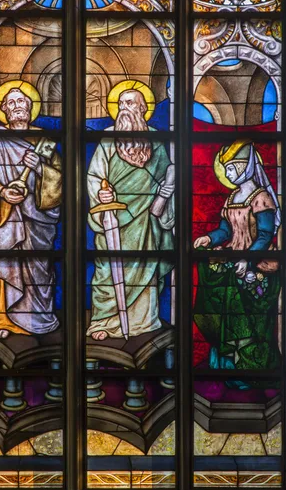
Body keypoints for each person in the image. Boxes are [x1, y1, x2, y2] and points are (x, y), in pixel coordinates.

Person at [87, 88, 174, 340]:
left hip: (146, 219)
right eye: (121, 103)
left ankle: (144, 322)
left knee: (146, 266)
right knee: (107, 269)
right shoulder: (108, 138)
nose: (125, 107)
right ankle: (103, 321)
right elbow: (94, 175)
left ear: (143, 108)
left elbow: (164, 176)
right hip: (113, 216)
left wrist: (162, 197)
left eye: (131, 103)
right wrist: (101, 195)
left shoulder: (156, 139)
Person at [0, 86, 61, 338]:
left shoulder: (45, 140)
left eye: (21, 101)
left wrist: (40, 170)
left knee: (39, 267)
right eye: (10, 103)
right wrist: (2, 192)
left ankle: (37, 318)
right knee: (6, 259)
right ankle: (3, 319)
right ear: (4, 110)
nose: (17, 106)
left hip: (38, 220)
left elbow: (61, 182)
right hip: (7, 216)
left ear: (30, 106)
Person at [193, 141, 281, 378]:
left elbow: (264, 235)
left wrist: (248, 259)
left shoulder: (261, 198)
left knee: (234, 293)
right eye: (226, 169)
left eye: (232, 168)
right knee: (213, 285)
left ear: (247, 166)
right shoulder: (233, 196)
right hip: (235, 257)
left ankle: (248, 363)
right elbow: (225, 231)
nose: (228, 173)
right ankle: (224, 361)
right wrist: (208, 239)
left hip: (259, 261)